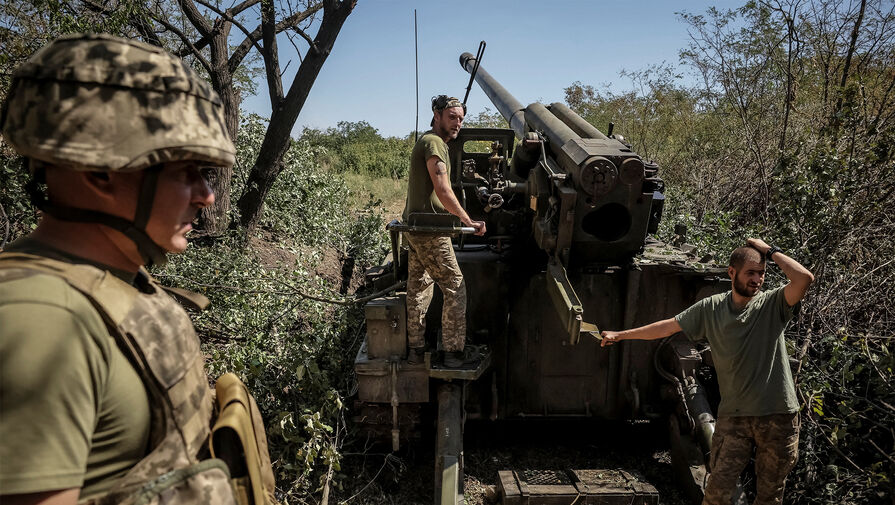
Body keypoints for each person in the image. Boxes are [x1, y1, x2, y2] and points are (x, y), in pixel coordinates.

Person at [0, 34, 272, 505]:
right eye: (186, 172)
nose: (207, 197)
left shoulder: (116, 277)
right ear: (101, 172)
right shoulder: (41, 320)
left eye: (208, 175)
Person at [601, 238, 814, 505]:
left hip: (777, 416)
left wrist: (770, 251)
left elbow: (804, 279)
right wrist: (621, 335)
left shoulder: (772, 305)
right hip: (734, 417)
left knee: (769, 497)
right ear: (731, 272)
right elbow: (668, 327)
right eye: (751, 273)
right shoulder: (712, 308)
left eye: (761, 274)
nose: (757, 279)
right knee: (716, 493)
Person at [401, 95, 486, 368]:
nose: (458, 123)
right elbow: (443, 188)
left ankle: (415, 349)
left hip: (416, 227)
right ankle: (452, 354)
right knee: (455, 287)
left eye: (461, 118)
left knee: (419, 287)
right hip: (430, 230)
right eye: (452, 117)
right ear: (436, 115)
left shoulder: (428, 140)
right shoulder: (434, 143)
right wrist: (468, 221)